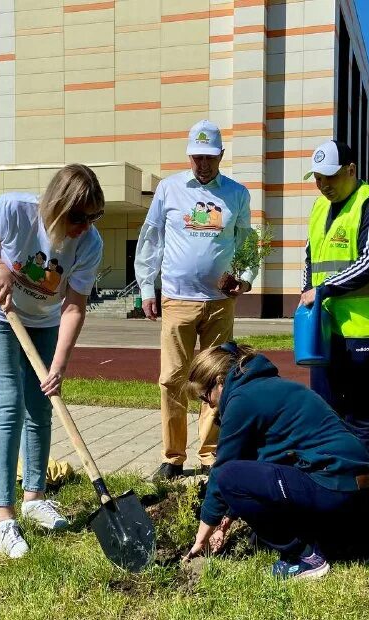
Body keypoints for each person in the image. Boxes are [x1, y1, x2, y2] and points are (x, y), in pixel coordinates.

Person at [0, 164, 105, 559]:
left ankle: (34, 497)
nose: (85, 226)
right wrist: (1, 267)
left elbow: (75, 305)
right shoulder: (14, 210)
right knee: (9, 404)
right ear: (57, 205)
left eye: (94, 216)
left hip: (44, 321)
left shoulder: (90, 243)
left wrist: (59, 366)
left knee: (40, 407)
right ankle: (4, 520)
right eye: (78, 216)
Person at [184, 342, 369, 579]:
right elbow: (259, 465)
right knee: (260, 490)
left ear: (220, 381)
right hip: (358, 484)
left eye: (205, 396)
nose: (208, 405)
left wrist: (202, 537)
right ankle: (359, 536)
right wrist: (225, 522)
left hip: (333, 481)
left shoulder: (241, 400)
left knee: (228, 476)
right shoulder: (270, 387)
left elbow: (223, 476)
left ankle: (304, 558)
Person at [134, 120, 257, 480]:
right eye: (196, 157)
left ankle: (211, 454)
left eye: (209, 157)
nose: (202, 164)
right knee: (172, 378)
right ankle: (172, 458)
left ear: (221, 155)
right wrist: (146, 288)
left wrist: (245, 280)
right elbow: (151, 239)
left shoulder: (237, 193)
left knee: (217, 379)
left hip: (220, 302)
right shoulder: (169, 190)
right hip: (177, 298)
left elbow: (248, 240)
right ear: (189, 155)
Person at [300, 140, 369, 460]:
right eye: (318, 178)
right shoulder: (319, 207)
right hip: (327, 319)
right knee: (324, 396)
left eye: (330, 177)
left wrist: (322, 291)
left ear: (351, 170)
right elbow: (311, 257)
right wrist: (307, 292)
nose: (323, 185)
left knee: (359, 402)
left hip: (367, 321)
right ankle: (330, 464)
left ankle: (359, 471)